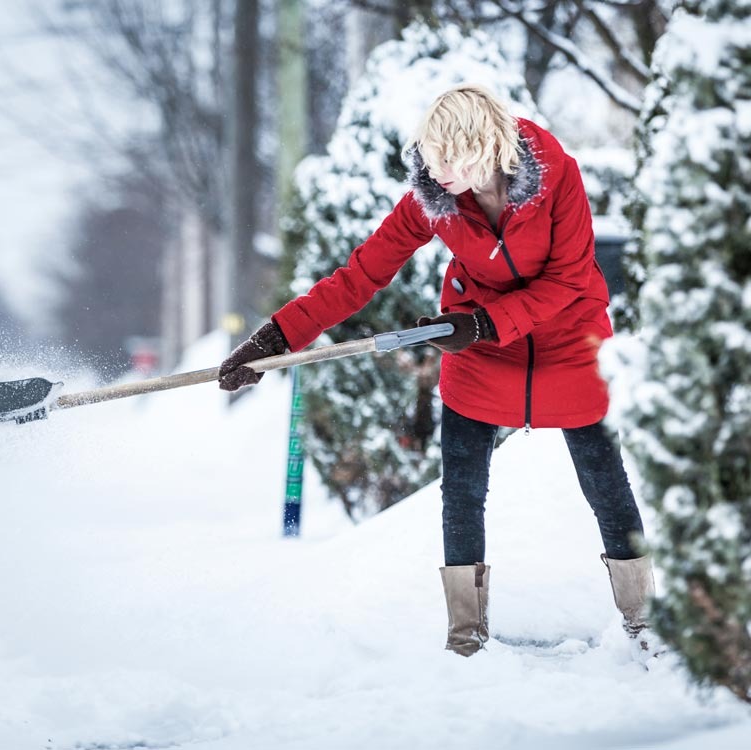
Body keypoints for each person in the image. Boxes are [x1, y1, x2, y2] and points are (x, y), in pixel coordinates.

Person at [218, 84, 654, 657]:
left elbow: (569, 279)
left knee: (605, 482)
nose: (436, 168)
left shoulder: (556, 176)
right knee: (462, 490)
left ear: (487, 146)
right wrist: (274, 340)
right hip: (479, 342)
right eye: (430, 154)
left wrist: (483, 324)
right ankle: (466, 636)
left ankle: (644, 621)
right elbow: (360, 275)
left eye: (450, 156)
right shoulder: (433, 198)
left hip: (567, 335)